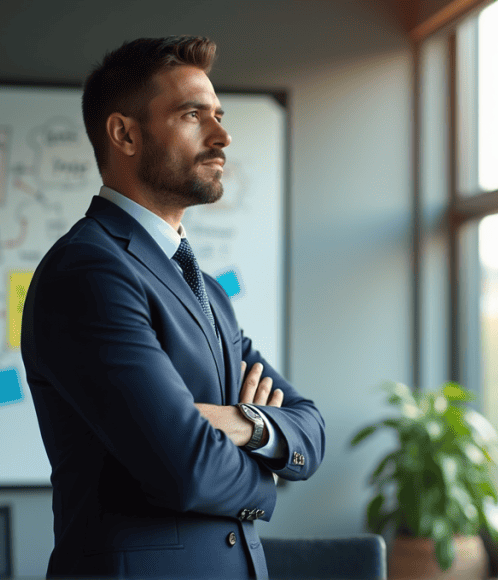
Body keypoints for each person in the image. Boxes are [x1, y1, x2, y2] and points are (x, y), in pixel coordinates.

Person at [21, 36, 325, 580]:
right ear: (125, 133)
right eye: (192, 115)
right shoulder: (89, 272)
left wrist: (244, 424)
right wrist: (266, 475)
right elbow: (185, 471)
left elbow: (310, 426)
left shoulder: (206, 289)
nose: (222, 136)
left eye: (219, 115)